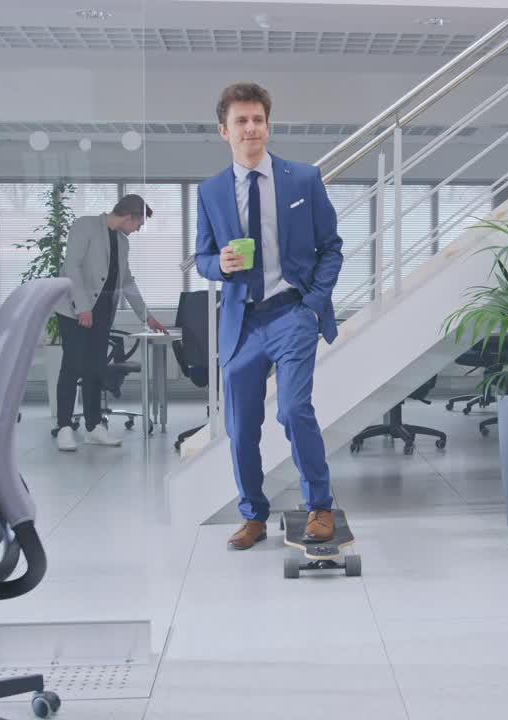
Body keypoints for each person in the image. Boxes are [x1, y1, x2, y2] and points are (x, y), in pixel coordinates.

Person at [194, 82, 344, 550]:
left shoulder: (302, 179)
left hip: (292, 313)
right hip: (242, 323)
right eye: (241, 120)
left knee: (294, 409)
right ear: (225, 131)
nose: (251, 128)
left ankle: (319, 506)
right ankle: (253, 515)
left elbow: (331, 248)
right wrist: (218, 265)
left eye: (258, 119)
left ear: (267, 125)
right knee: (240, 427)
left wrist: (313, 302)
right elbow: (201, 258)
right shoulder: (211, 191)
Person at [54, 194, 168, 452]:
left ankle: (94, 427)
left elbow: (127, 281)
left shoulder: (121, 241)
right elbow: (72, 266)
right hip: (74, 310)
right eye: (138, 224)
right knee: (72, 366)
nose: (138, 229)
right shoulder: (85, 226)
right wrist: (82, 306)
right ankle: (64, 427)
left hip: (103, 312)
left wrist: (146, 315)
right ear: (129, 216)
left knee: (95, 368)